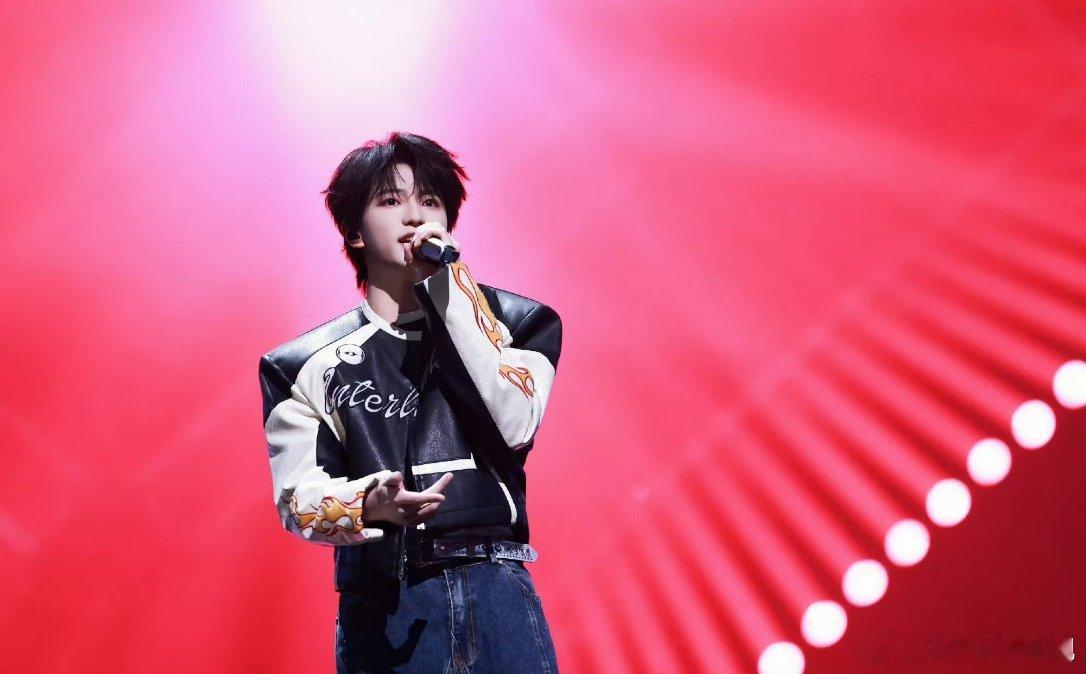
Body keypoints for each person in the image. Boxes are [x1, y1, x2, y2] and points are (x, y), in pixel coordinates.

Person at [258, 131, 563, 673]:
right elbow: (298, 499)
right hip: (387, 607)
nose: (414, 216)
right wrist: (367, 504)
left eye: (429, 200)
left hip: (497, 588)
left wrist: (445, 287)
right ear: (354, 231)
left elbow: (514, 425)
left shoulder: (521, 325)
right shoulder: (302, 366)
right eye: (390, 200)